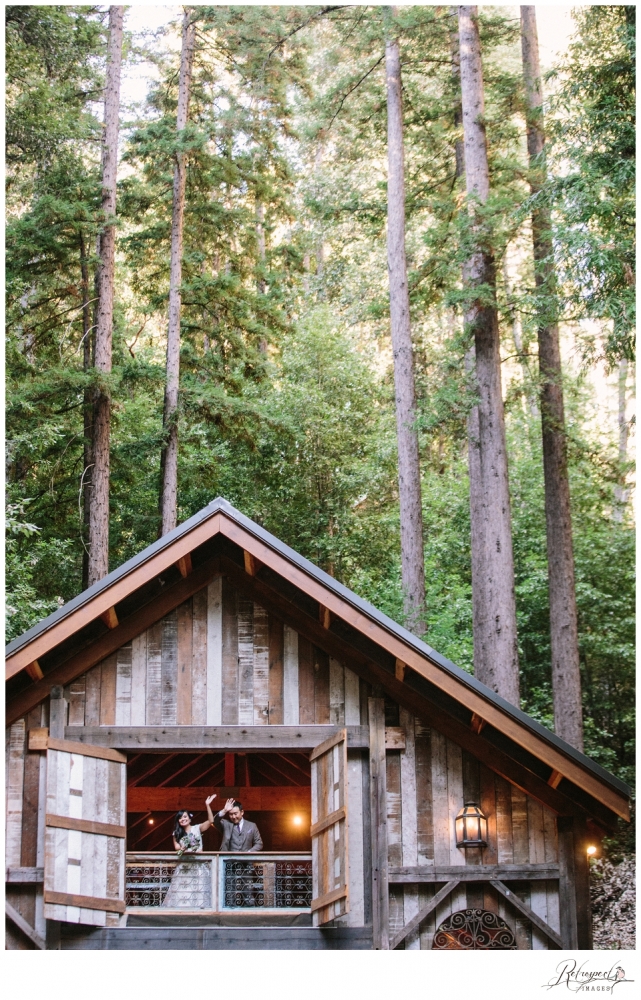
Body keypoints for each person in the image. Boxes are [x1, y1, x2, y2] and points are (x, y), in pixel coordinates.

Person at [162, 794, 216, 908]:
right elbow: (177, 849)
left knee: (199, 890)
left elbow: (211, 820)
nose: (183, 819)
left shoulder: (197, 828)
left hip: (198, 865)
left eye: (185, 816)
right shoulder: (176, 833)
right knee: (183, 891)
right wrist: (183, 848)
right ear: (178, 821)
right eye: (180, 818)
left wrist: (207, 805)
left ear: (189, 818)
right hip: (184, 866)